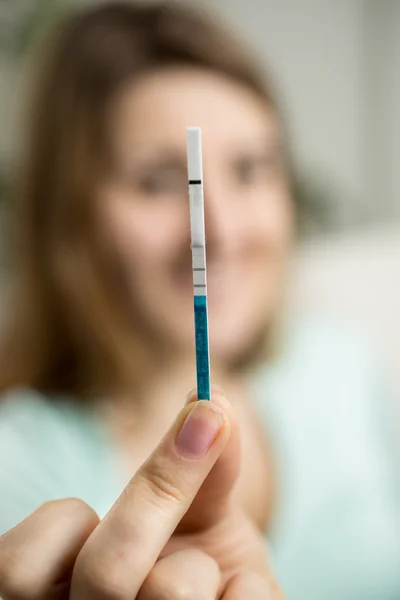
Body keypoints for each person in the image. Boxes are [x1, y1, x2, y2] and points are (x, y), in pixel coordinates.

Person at [0, 1, 398, 599]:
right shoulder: (20, 467)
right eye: (159, 180)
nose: (220, 231)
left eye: (249, 168)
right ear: (72, 214)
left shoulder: (337, 363)